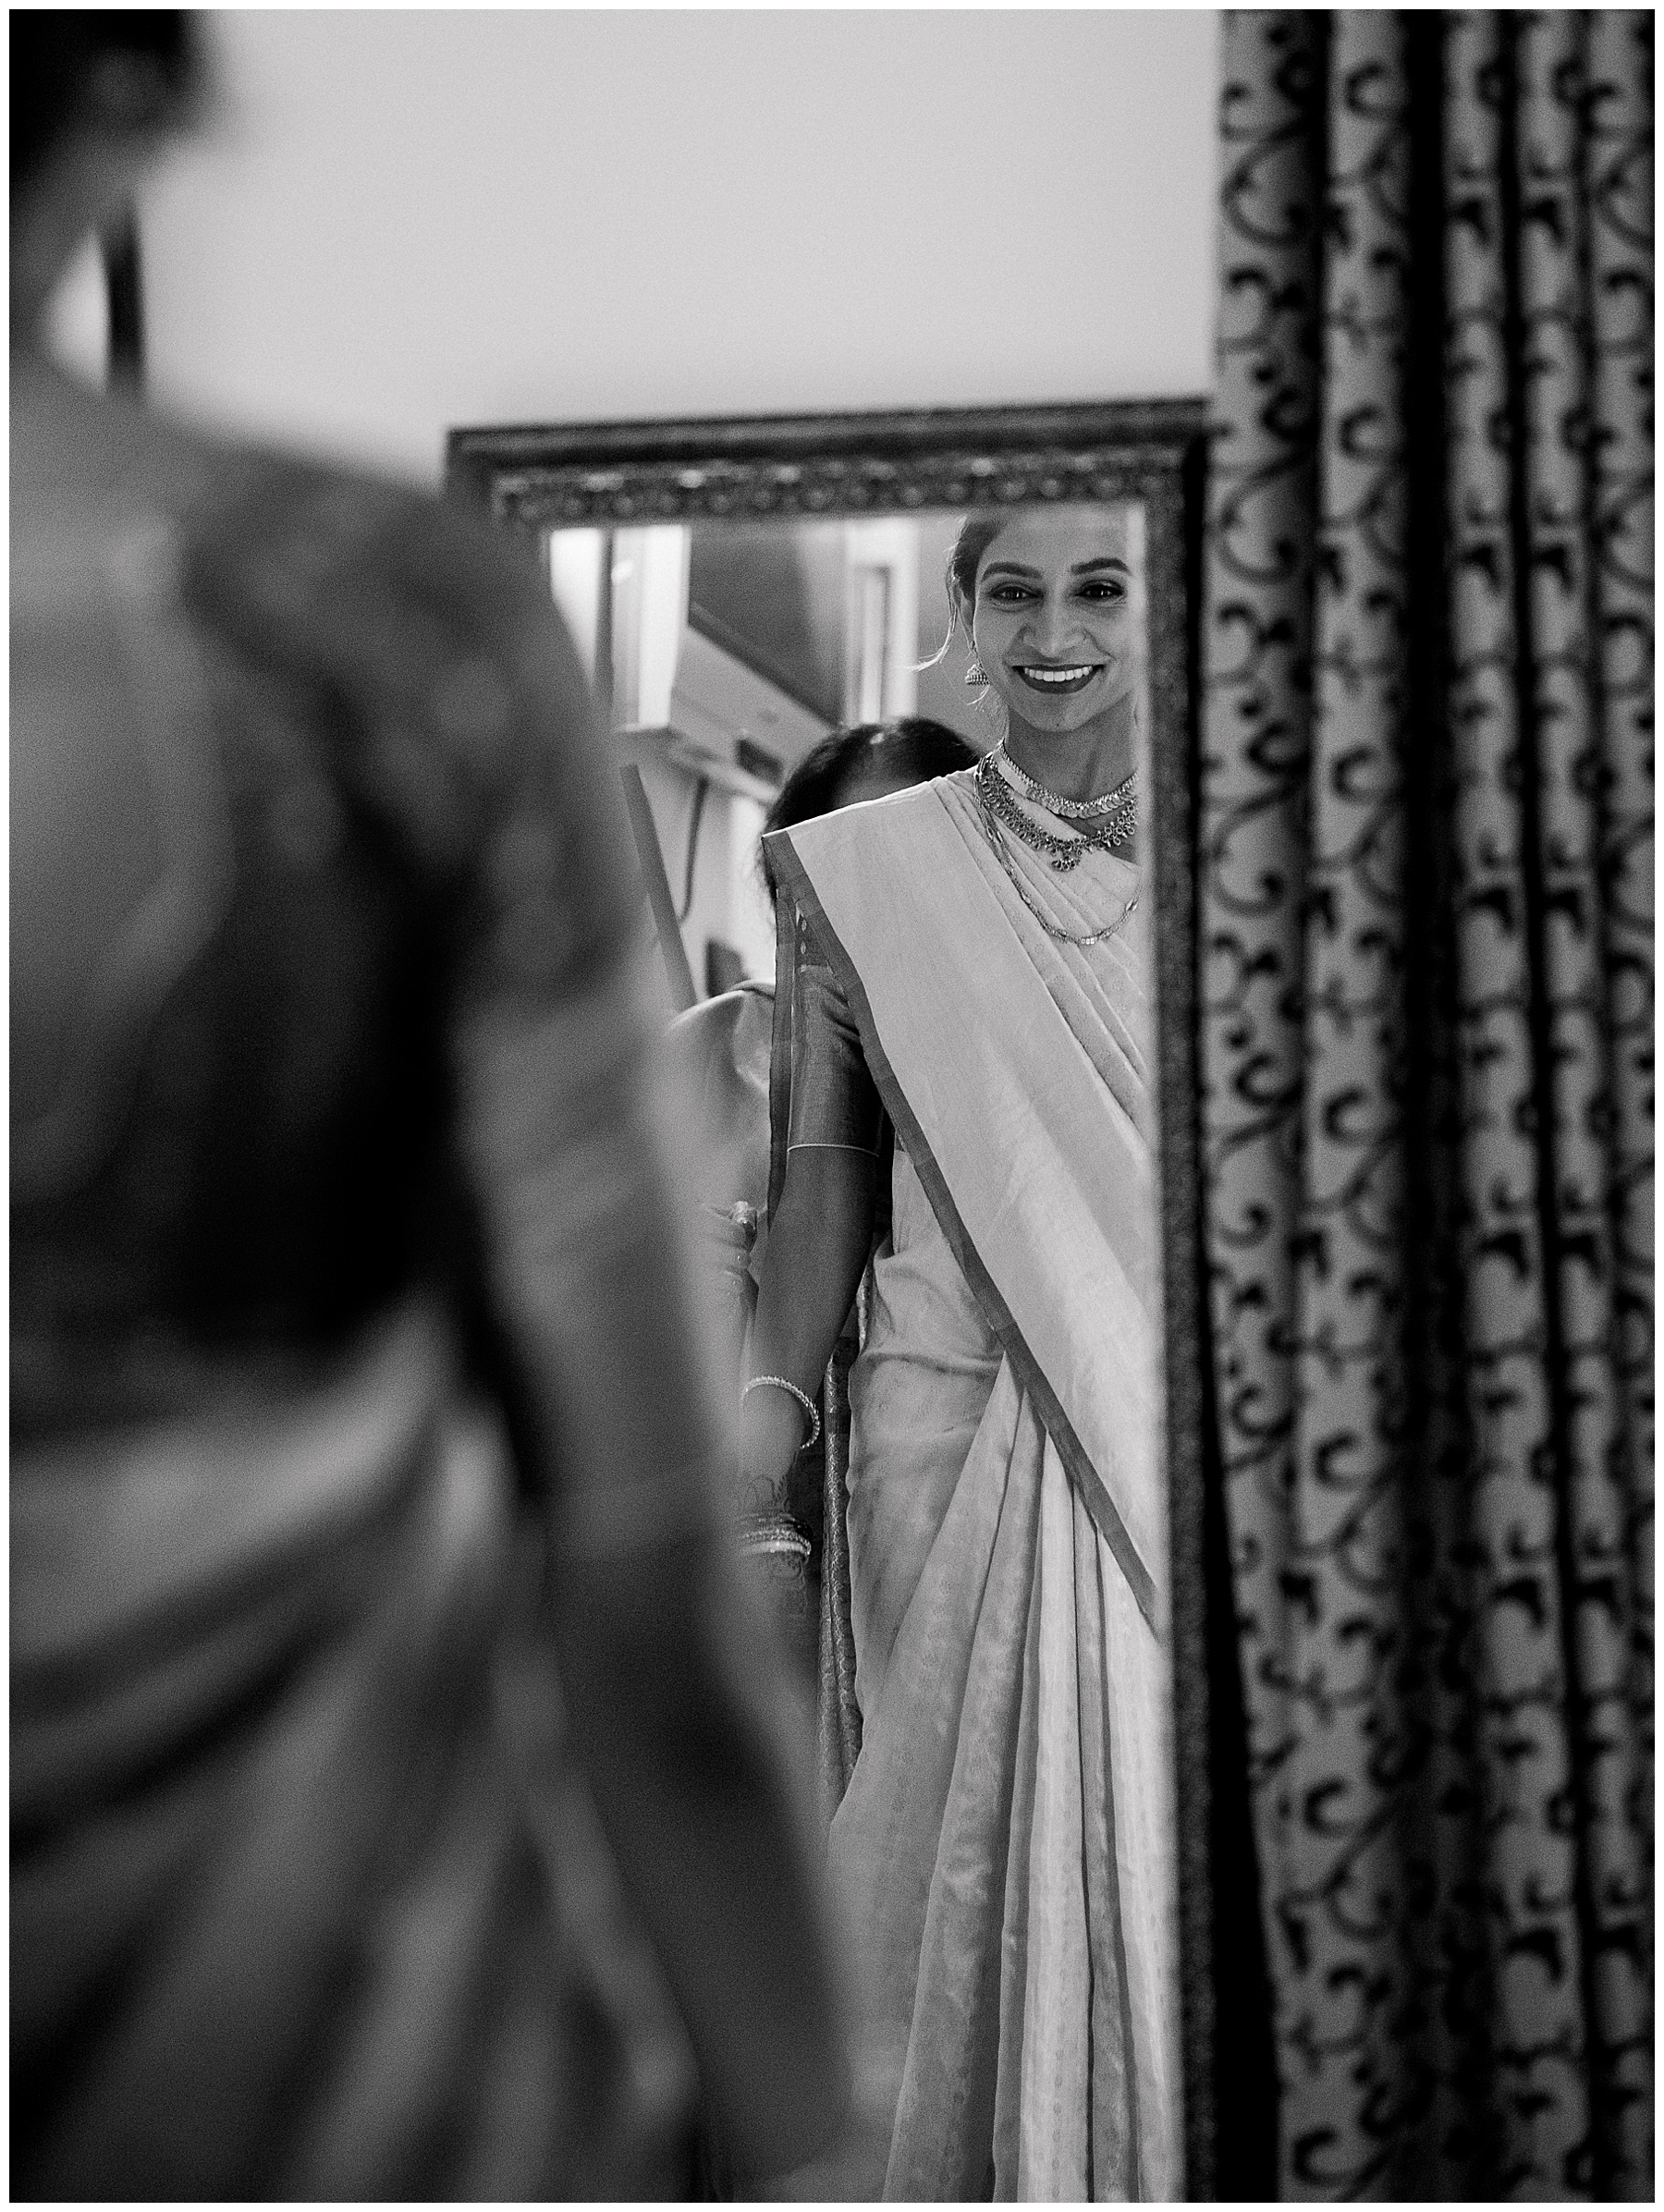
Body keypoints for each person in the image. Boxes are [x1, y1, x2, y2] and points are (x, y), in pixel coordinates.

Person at [11, 13, 846, 2198]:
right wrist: (807, 2146)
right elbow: (646, 1608)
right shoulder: (378, 634)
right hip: (323, 2048)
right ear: (126, 112)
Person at [742, 507, 1180, 2197]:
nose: (1053, 631)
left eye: (1099, 588)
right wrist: (759, 1432)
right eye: (1015, 592)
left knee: (1159, 1876)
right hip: (938, 1417)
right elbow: (821, 1185)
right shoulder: (866, 870)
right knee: (951, 1881)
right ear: (963, 613)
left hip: (1165, 1425)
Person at [655, 720, 976, 1729]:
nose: (861, 895)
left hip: (942, 1546)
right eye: (831, 858)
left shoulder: (995, 1066)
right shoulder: (712, 1054)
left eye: (900, 853)